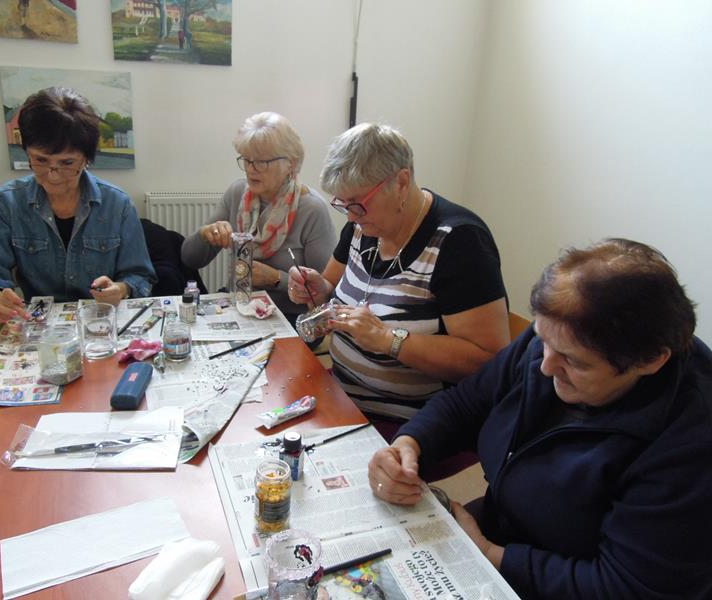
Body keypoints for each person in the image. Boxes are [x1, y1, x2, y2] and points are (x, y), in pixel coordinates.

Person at [368, 239, 712, 599]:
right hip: (505, 528)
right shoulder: (559, 338)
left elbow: (627, 588)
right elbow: (468, 403)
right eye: (540, 340)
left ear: (650, 361)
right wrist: (410, 444)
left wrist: (489, 554)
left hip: (562, 577)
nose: (545, 366)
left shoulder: (691, 445)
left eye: (574, 362)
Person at [288, 123, 509, 424]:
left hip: (412, 424)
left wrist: (387, 339)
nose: (351, 216)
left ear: (402, 182)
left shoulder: (459, 242)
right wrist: (318, 288)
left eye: (358, 204)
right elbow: (331, 286)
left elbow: (487, 360)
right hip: (342, 396)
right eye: (343, 204)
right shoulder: (362, 226)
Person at [0, 87, 155, 323]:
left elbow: (140, 275)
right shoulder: (6, 203)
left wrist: (120, 290)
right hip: (37, 323)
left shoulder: (117, 204)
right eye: (40, 160)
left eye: (67, 163)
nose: (53, 176)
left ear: (87, 159)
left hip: (100, 323)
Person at [181, 112, 336, 323]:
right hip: (237, 306)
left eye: (262, 161)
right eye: (246, 159)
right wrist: (204, 235)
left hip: (288, 317)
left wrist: (276, 279)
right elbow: (190, 259)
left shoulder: (312, 209)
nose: (251, 169)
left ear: (290, 164)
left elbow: (324, 292)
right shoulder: (237, 193)